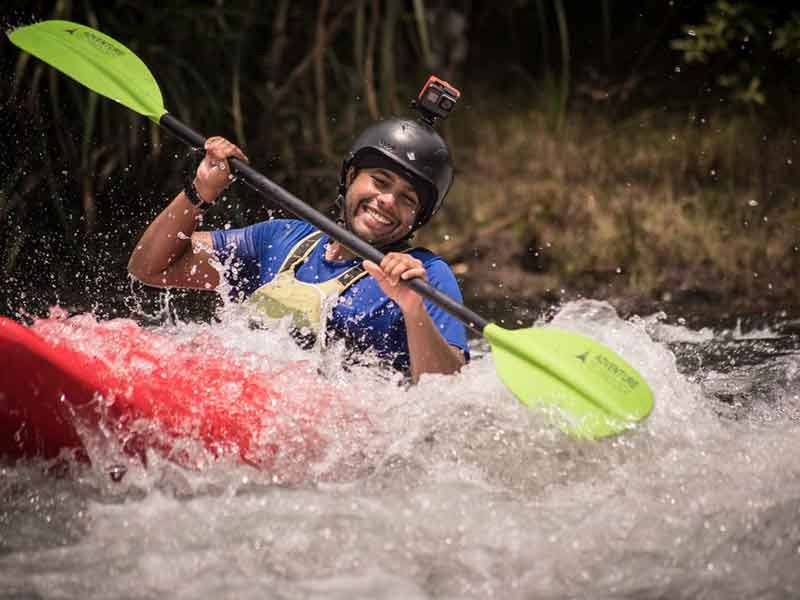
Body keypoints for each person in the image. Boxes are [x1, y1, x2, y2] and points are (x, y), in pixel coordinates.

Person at [128, 117, 468, 383]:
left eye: (407, 199)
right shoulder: (280, 238)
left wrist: (413, 309)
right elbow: (150, 268)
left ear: (417, 218)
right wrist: (200, 191)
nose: (388, 201)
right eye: (380, 181)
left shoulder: (425, 277)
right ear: (351, 176)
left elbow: (446, 389)